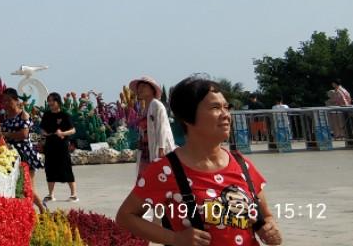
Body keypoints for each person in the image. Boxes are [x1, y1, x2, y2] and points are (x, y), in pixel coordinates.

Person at [115, 76, 282, 246]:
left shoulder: (242, 165)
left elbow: (265, 215)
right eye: (215, 107)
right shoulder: (165, 170)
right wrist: (175, 238)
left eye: (226, 107)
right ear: (188, 117)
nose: (226, 115)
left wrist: (269, 229)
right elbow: (125, 217)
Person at [130, 76, 176, 175]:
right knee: (145, 177)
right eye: (139, 87)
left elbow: (162, 127)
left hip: (157, 147)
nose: (140, 89)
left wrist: (161, 148)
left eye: (143, 86)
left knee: (158, 175)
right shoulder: (145, 108)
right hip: (146, 149)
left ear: (152, 89)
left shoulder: (157, 105)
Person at [40, 92, 77, 202]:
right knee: (50, 168)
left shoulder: (65, 115)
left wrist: (63, 133)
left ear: (58, 102)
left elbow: (73, 130)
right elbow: (41, 128)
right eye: (49, 100)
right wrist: (44, 133)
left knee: (66, 167)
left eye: (52, 100)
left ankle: (74, 194)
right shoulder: (46, 115)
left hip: (62, 146)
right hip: (50, 145)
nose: (50, 103)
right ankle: (51, 195)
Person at [0, 88, 43, 172]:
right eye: (4, 101)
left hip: (23, 153)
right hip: (8, 152)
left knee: (27, 183)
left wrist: (5, 134)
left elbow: (24, 134)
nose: (6, 103)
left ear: (17, 101)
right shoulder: (5, 116)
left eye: (9, 100)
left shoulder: (23, 115)